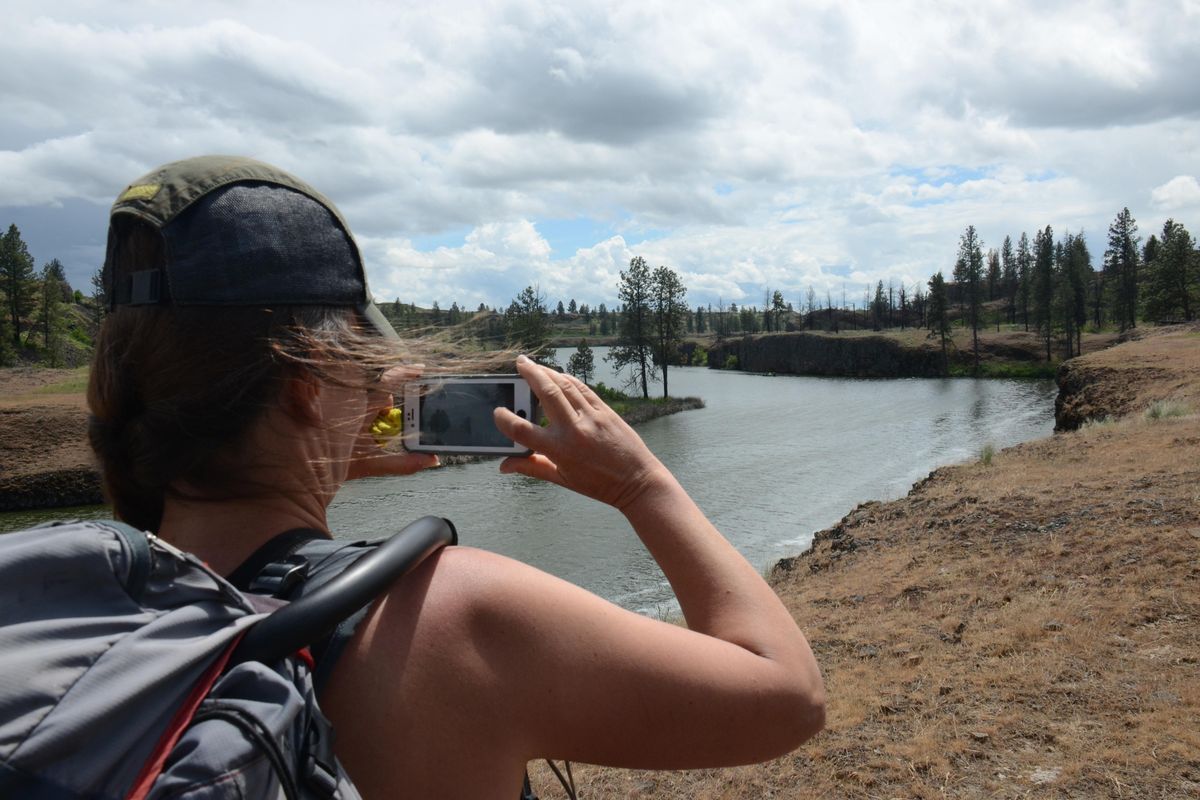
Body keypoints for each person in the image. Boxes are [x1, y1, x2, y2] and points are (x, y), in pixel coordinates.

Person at [88, 155, 824, 798]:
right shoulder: (450, 615)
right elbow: (788, 697)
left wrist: (311, 454)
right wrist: (642, 484)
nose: (381, 385)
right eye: (360, 361)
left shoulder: (68, 612)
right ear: (305, 387)